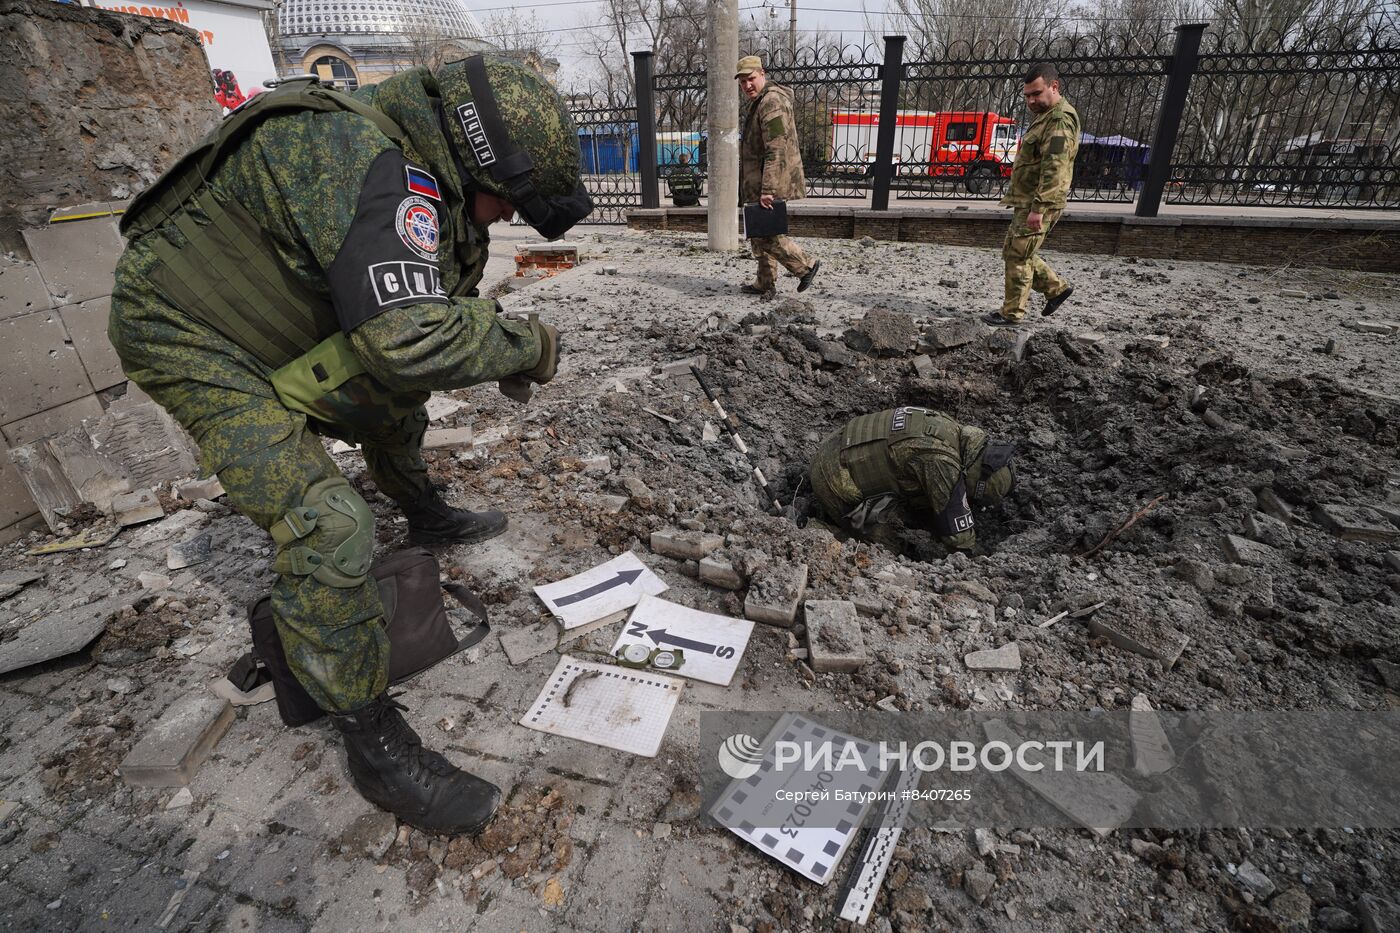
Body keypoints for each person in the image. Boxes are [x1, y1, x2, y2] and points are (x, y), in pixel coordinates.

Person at [108, 55, 592, 836]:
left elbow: (412, 327)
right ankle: (374, 744)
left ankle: (424, 511)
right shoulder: (366, 163)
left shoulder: (415, 166)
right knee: (330, 527)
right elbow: (409, 336)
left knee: (393, 403)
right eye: (509, 203)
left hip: (269, 319)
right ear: (478, 160)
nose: (504, 220)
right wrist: (525, 343)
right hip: (187, 335)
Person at [807, 407, 1016, 552]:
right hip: (833, 479)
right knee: (889, 548)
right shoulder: (942, 461)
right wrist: (977, 557)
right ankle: (820, 532)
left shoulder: (951, 429)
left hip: (837, 445)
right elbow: (959, 540)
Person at [984, 62, 1080, 327]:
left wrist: (1040, 207)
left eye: (1036, 93)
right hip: (1029, 200)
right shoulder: (1047, 117)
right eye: (1027, 95)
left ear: (1054, 86)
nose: (1031, 100)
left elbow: (1055, 168)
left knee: (1018, 256)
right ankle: (1056, 288)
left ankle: (1012, 313)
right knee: (1015, 251)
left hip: (1038, 203)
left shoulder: (1059, 120)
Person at [736, 54, 821, 296]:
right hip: (757, 180)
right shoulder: (761, 101)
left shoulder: (771, 102)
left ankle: (806, 266)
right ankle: (764, 281)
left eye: (750, 79)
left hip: (767, 180)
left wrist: (768, 189)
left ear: (762, 73)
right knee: (759, 230)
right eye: (742, 82)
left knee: (767, 235)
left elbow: (776, 147)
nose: (747, 85)